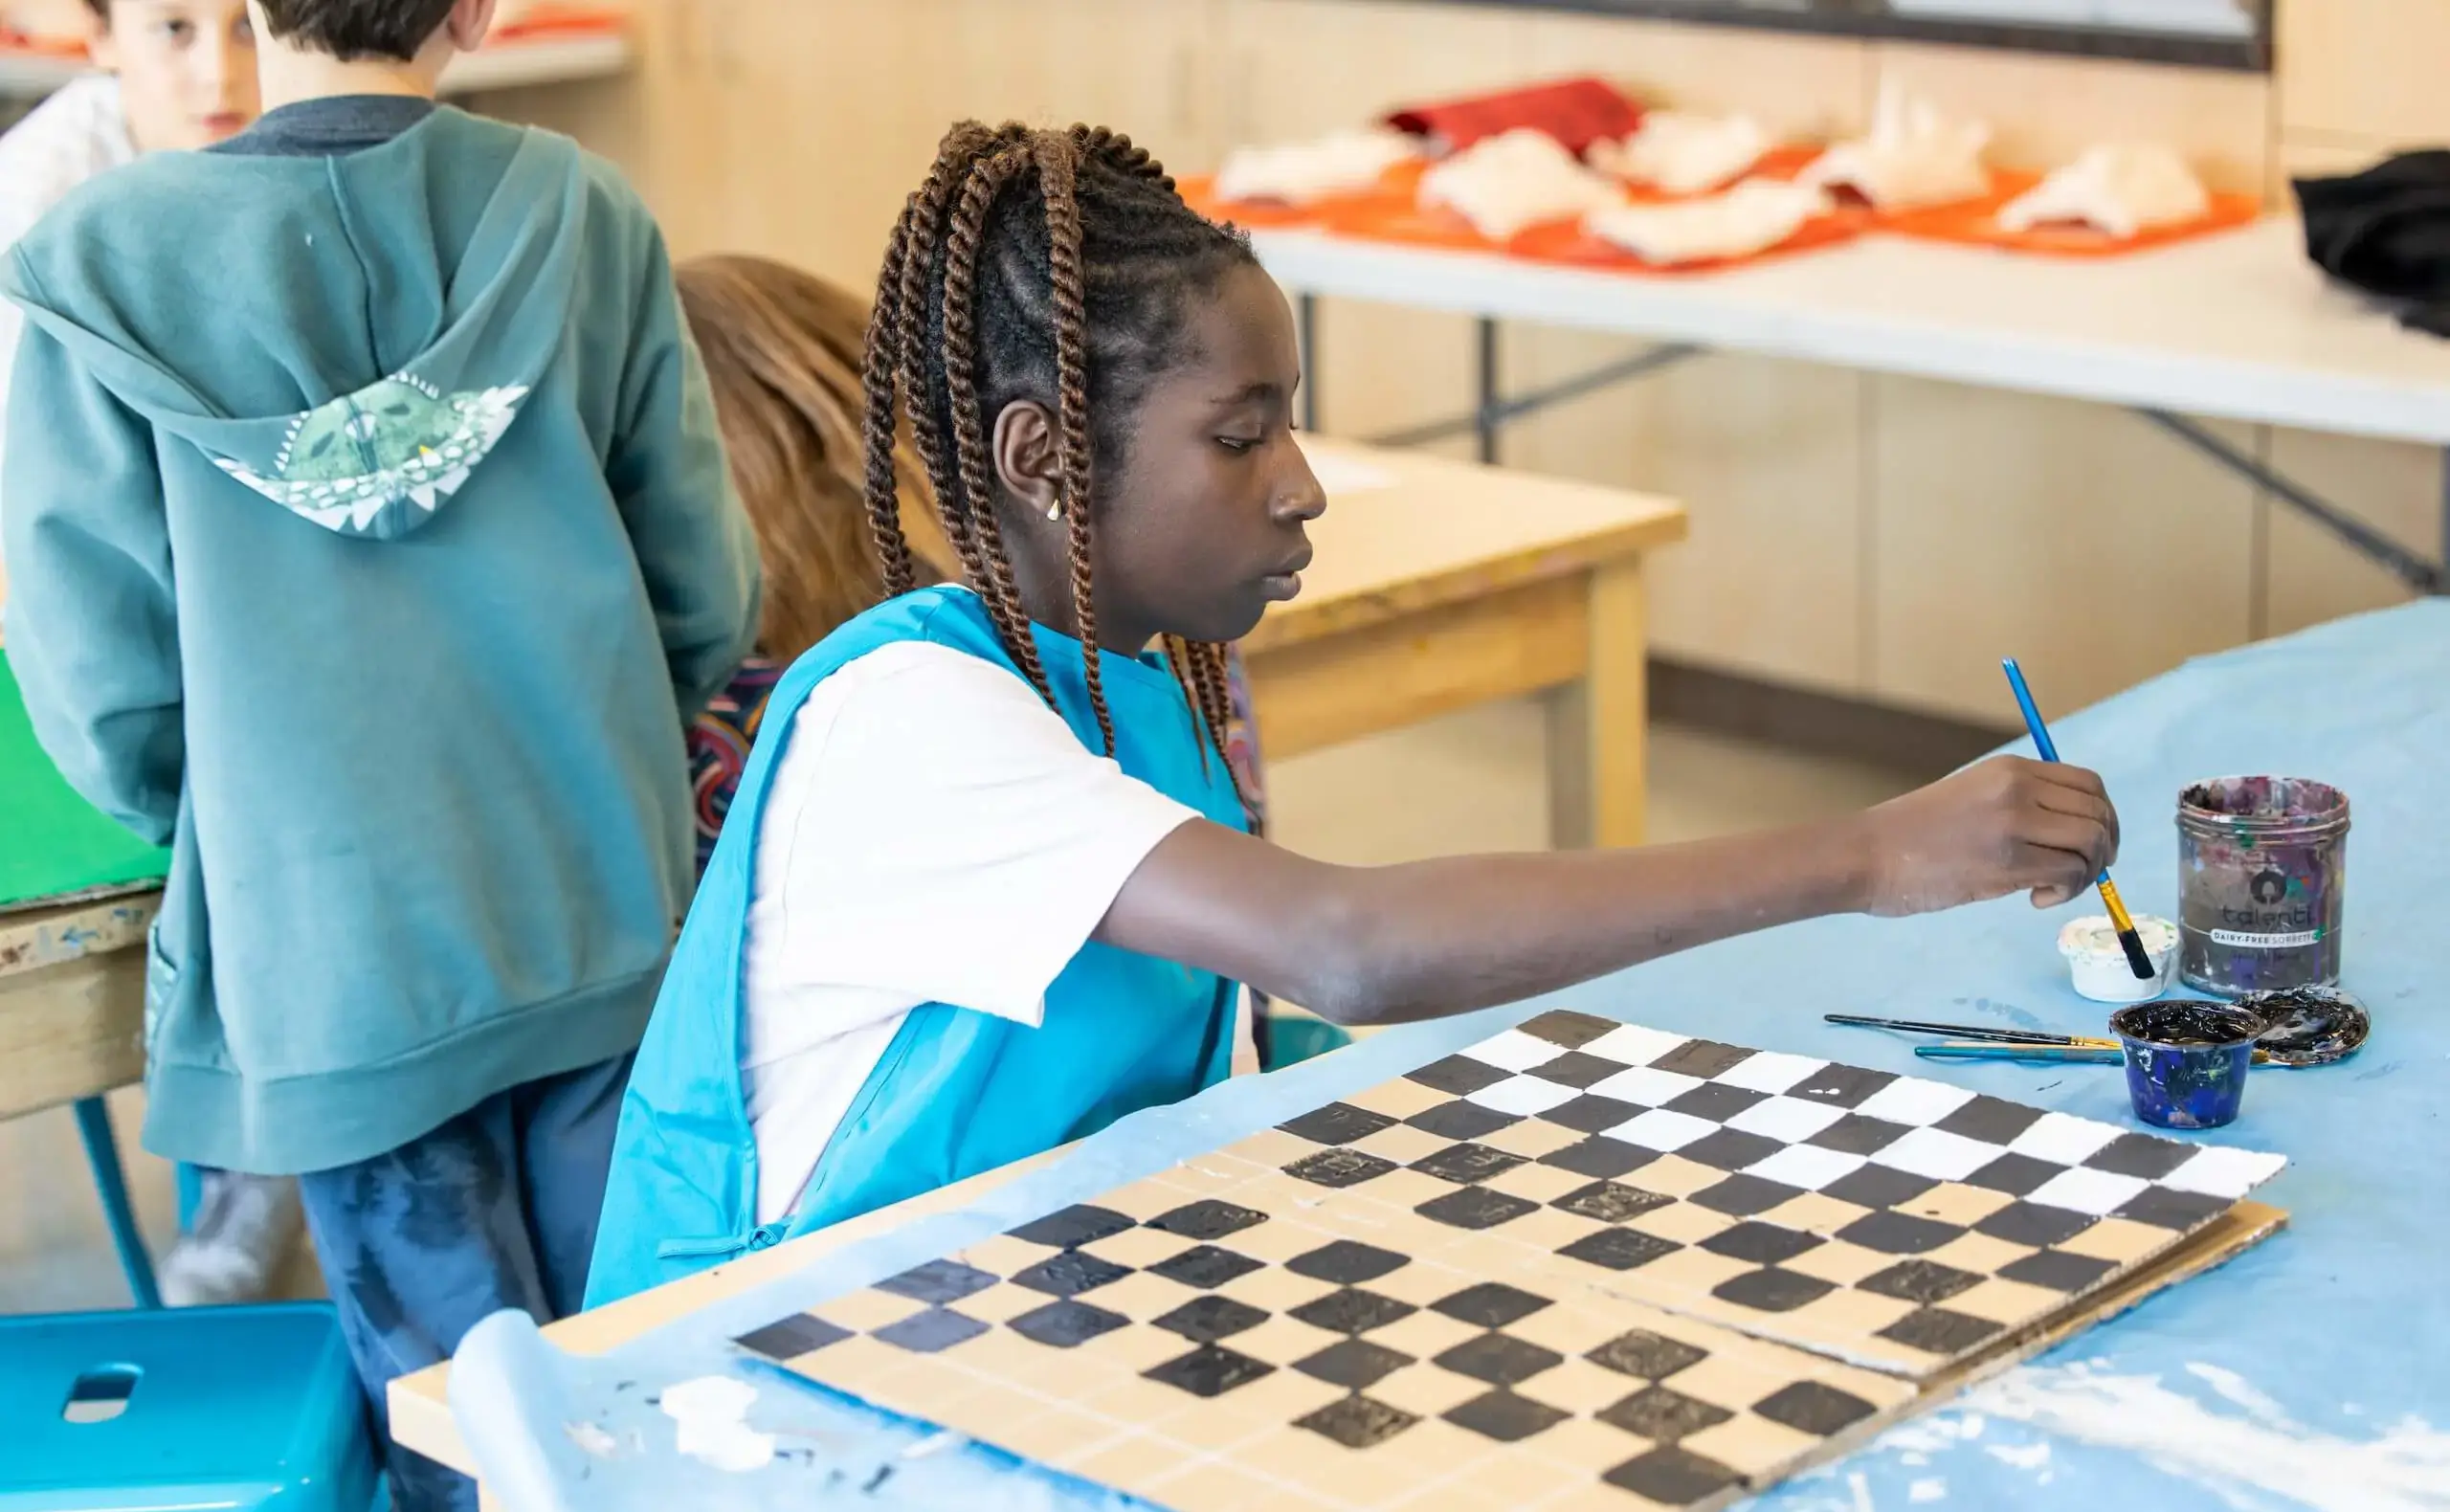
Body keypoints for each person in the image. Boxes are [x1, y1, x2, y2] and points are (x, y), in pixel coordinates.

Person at [584, 121, 2120, 1308]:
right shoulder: (914, 721)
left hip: (1012, 1291)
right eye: (1243, 435)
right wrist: (1863, 856)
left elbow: (1248, 1029)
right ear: (1046, 459)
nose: (1302, 481)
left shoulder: (1147, 675)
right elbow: (1347, 944)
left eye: (1291, 425)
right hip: (763, 1359)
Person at [0, 0, 759, 1504]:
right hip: (591, 897)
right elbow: (702, 588)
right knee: (652, 1386)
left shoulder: (93, 266)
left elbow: (95, 674)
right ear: (477, 10)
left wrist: (226, 810)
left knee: (459, 1432)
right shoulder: (581, 210)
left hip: (325, 955)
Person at [674, 252, 1331, 1073]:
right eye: (1239, 439)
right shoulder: (1135, 638)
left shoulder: (734, 721)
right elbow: (1316, 947)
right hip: (1183, 1093)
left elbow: (1331, 940)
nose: (1302, 488)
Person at [0, 0, 291, 1308]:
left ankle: (263, 1147)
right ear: (94, 32)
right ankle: (258, 1144)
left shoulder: (322, 128)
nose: (221, 70)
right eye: (175, 27)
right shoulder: (44, 202)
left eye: (247, 21)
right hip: (92, 623)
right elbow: (47, 532)